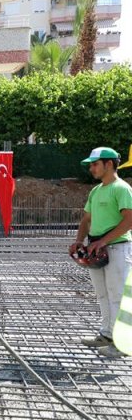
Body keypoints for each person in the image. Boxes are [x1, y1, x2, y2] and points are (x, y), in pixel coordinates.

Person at [70, 147, 132, 358]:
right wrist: (79, 241)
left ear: (109, 164)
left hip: (117, 248)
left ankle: (123, 344)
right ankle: (106, 335)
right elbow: (86, 220)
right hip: (97, 248)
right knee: (103, 294)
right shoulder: (96, 191)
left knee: (118, 296)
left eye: (95, 164)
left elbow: (129, 220)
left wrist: (104, 241)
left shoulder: (121, 189)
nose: (91, 168)